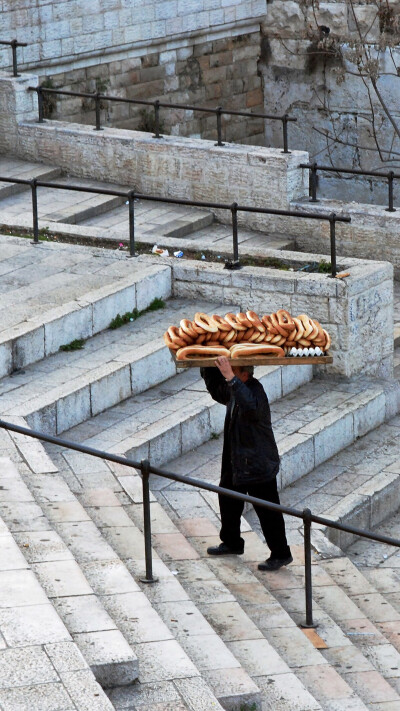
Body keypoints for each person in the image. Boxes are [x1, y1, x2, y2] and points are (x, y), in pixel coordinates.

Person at [201, 356, 292, 571]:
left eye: (233, 371)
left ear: (244, 373)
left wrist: (231, 378)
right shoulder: (235, 389)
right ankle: (232, 542)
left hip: (258, 462)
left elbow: (250, 406)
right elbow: (217, 391)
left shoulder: (255, 390)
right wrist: (206, 366)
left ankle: (281, 553)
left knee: (268, 510)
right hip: (237, 459)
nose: (228, 374)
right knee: (228, 499)